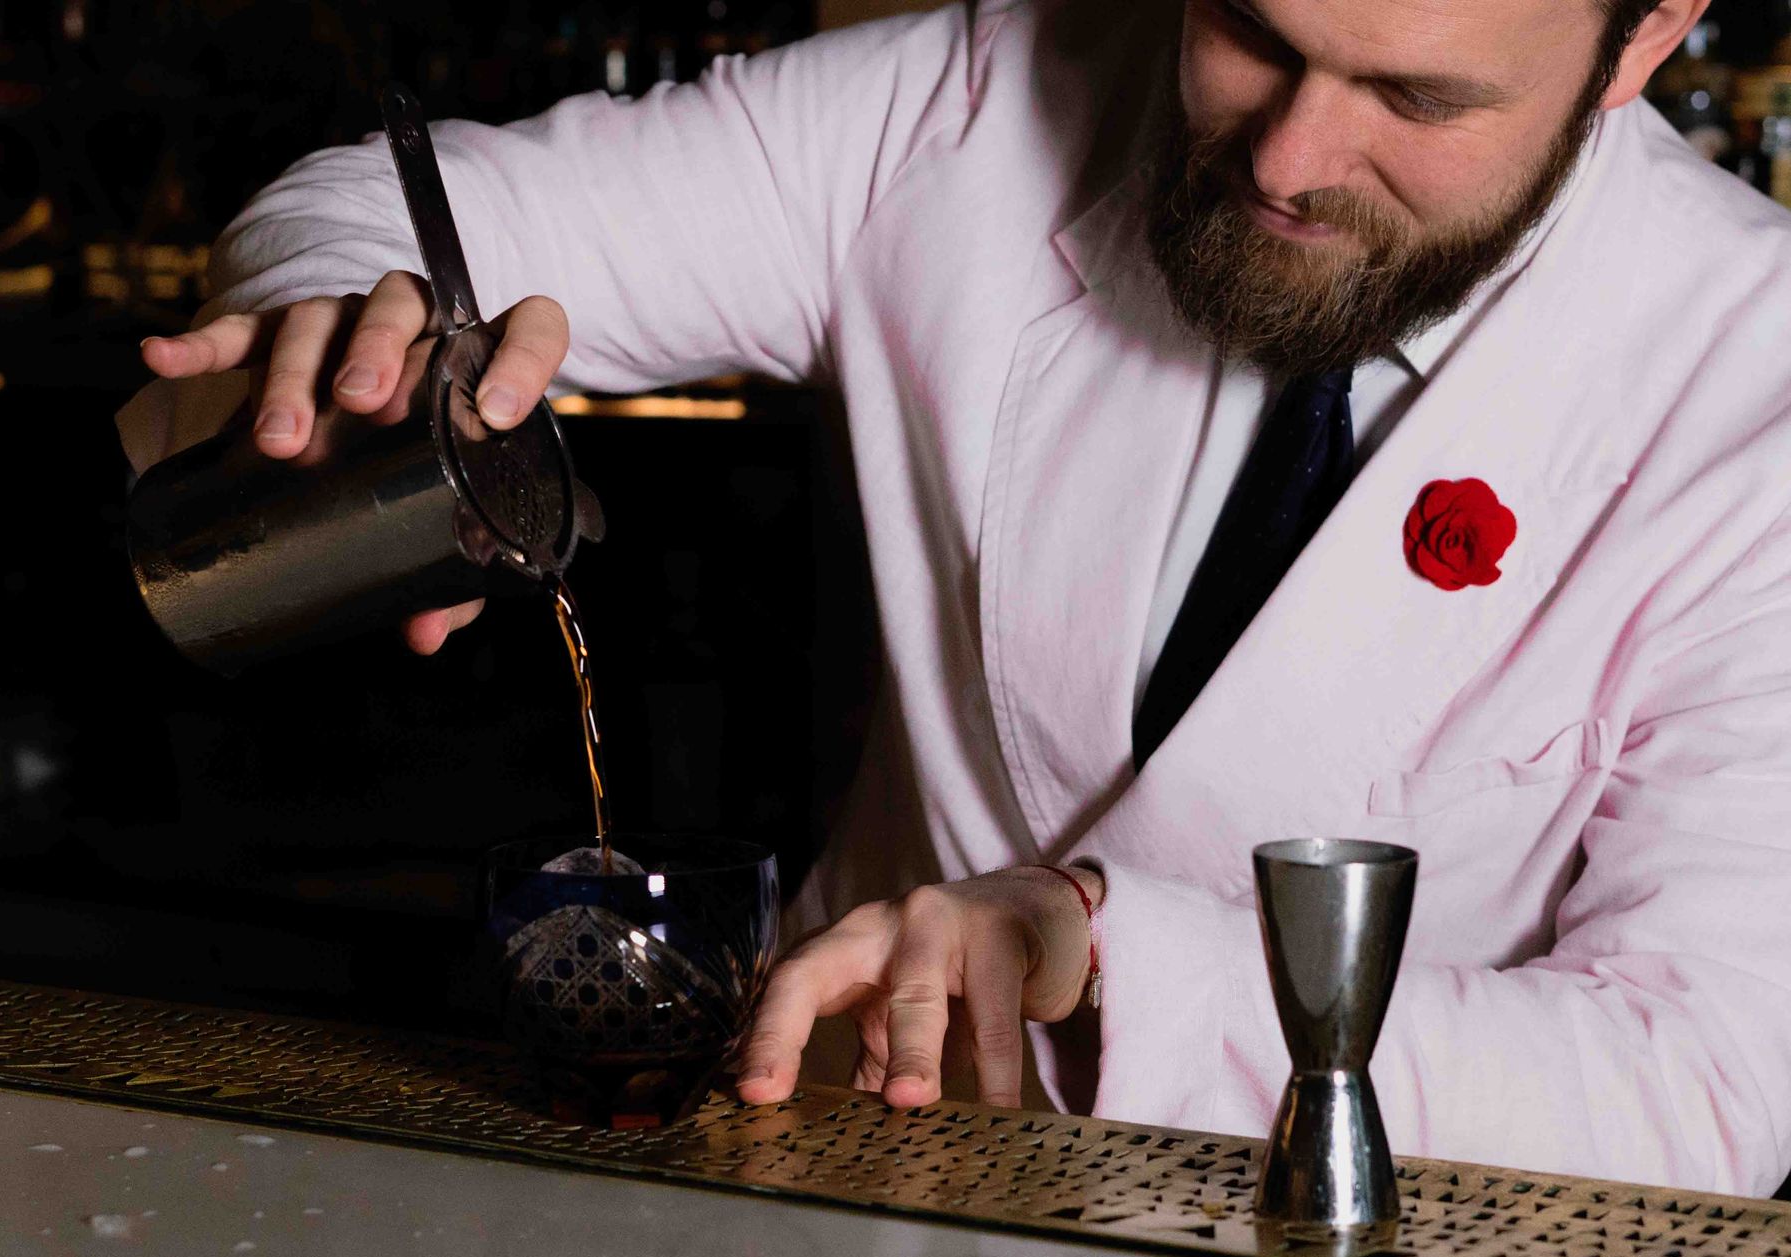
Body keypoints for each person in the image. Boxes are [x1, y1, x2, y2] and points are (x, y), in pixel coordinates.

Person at [116, 0, 1791, 1196]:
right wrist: (365, 340)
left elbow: (1698, 1083)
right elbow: (390, 207)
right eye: (1254, 34)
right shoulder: (988, 94)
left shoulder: (1754, 387)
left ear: (1649, 37)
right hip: (853, 1209)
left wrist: (1105, 952)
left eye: (1417, 100)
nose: (1290, 150)